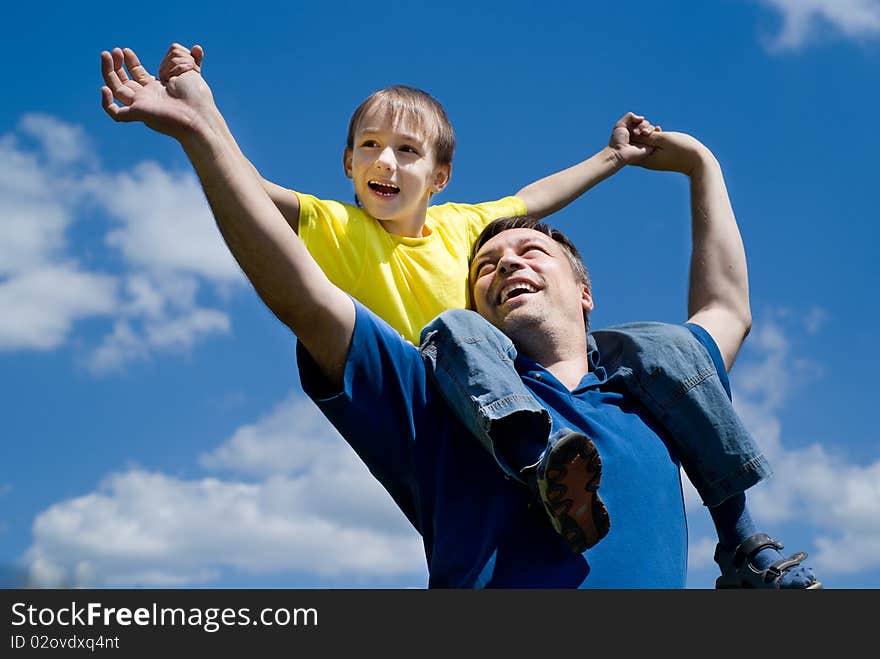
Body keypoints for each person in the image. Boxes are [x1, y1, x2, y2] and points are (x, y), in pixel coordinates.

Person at [101, 45, 821, 588]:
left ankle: (744, 541)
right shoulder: (429, 392)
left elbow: (724, 307)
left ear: (584, 289)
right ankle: (532, 453)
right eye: (487, 266)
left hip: (570, 383)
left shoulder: (650, 393)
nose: (505, 260)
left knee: (665, 344)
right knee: (452, 333)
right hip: (470, 416)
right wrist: (203, 124)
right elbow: (291, 279)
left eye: (531, 252)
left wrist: (695, 163)